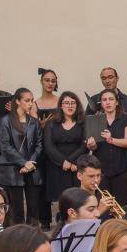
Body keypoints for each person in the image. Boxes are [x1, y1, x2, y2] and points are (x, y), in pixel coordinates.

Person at [0, 89, 44, 228]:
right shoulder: (6, 121)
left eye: (31, 100)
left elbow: (39, 145)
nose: (30, 104)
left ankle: (32, 236)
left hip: (32, 168)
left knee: (33, 207)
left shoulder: (34, 122)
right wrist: (23, 162)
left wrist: (30, 163)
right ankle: (17, 238)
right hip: (12, 168)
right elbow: (5, 146)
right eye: (27, 100)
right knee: (15, 209)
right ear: (17, 101)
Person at [42, 92, 88, 222]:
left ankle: (77, 221)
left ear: (77, 105)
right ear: (60, 106)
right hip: (57, 166)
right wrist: (63, 162)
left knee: (77, 197)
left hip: (76, 167)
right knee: (61, 199)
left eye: (73, 103)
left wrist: (73, 163)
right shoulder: (51, 123)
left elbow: (84, 145)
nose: (70, 105)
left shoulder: (83, 123)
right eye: (66, 103)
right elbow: (48, 146)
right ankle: (62, 222)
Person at [86, 88, 127, 205]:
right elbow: (94, 147)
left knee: (123, 205)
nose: (108, 102)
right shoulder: (95, 120)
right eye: (104, 100)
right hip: (102, 171)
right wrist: (91, 145)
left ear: (116, 102)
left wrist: (111, 139)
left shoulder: (126, 119)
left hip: (122, 169)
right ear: (101, 103)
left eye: (110, 99)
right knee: (104, 205)